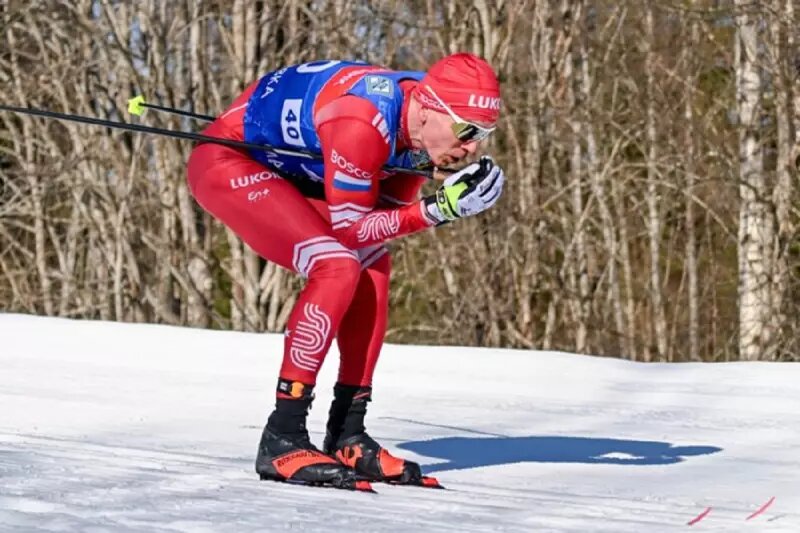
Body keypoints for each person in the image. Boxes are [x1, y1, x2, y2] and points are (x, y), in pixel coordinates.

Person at [186, 53, 505, 491]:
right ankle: (283, 435)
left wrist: (426, 201)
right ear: (430, 107)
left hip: (294, 171)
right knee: (335, 265)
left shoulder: (415, 128)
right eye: (467, 132)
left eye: (483, 135)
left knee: (374, 262)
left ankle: (347, 432)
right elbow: (351, 229)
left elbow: (385, 215)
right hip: (232, 163)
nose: (472, 148)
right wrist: (438, 209)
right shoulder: (362, 122)